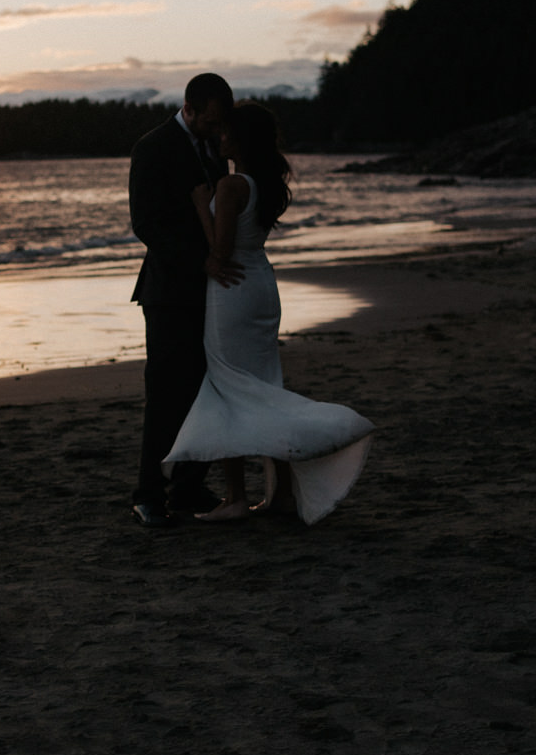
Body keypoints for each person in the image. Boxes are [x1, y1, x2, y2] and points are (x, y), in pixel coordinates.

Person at [164, 101, 374, 524]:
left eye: (224, 132)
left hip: (231, 291)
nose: (218, 138)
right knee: (264, 388)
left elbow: (220, 253)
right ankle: (280, 497)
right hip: (260, 283)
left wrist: (199, 206)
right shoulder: (264, 181)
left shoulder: (229, 186)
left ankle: (237, 497)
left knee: (229, 390)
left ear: (238, 138)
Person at [127, 72, 241, 527]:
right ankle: (148, 493)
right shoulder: (152, 148)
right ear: (188, 108)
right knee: (166, 395)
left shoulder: (216, 148)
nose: (216, 131)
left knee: (207, 390)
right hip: (169, 291)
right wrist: (202, 261)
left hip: (212, 291)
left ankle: (190, 487)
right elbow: (146, 225)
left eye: (221, 124)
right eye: (210, 121)